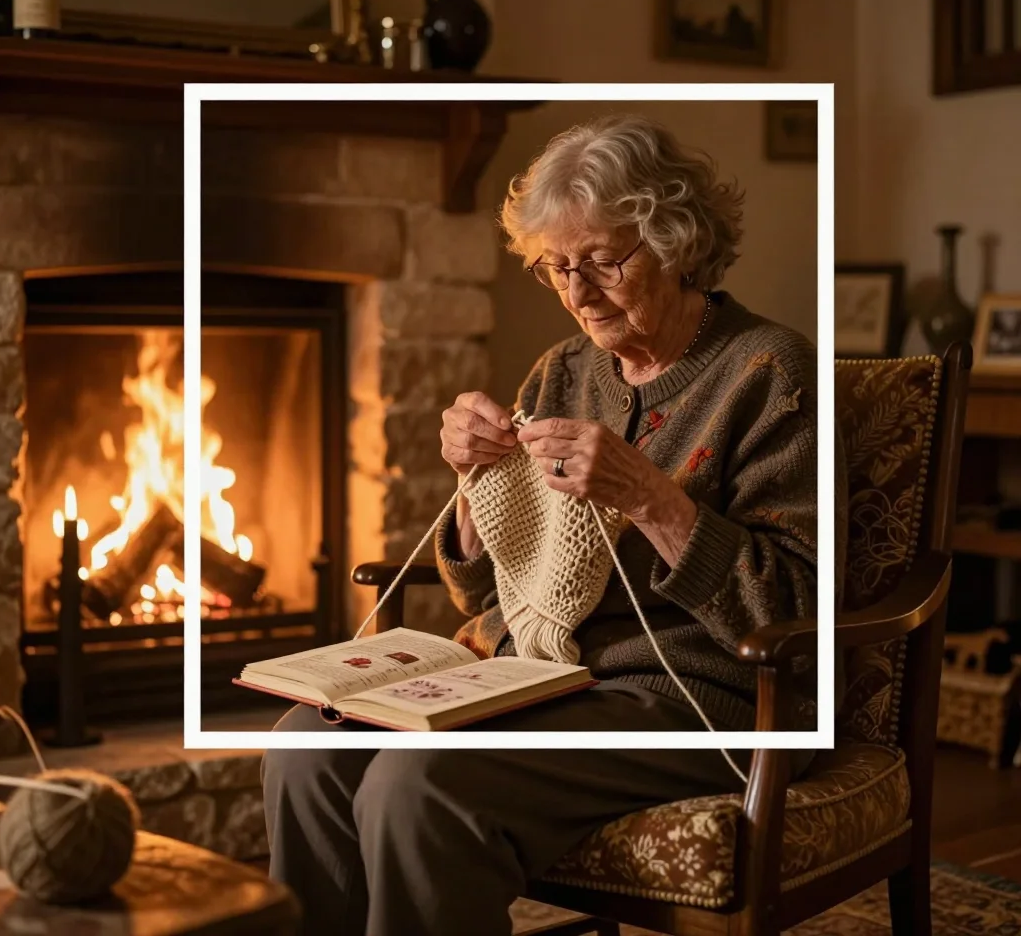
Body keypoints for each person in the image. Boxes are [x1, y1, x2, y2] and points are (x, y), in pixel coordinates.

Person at [262, 115, 833, 936]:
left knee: (419, 785)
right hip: (538, 680)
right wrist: (470, 487)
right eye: (558, 267)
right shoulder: (563, 370)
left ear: (677, 241)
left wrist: (654, 499)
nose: (577, 291)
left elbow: (802, 614)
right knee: (305, 750)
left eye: (603, 261)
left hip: (699, 701)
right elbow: (489, 589)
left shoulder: (771, 372)